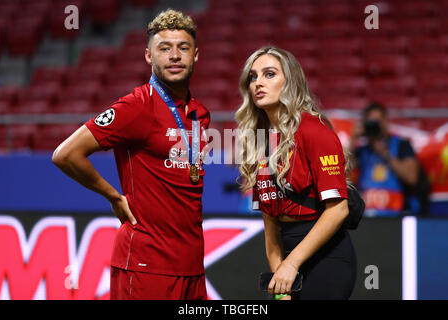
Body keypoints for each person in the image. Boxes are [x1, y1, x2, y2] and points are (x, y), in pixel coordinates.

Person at [52, 9, 210, 300]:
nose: (175, 55)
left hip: (192, 268)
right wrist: (112, 195)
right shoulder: (136, 106)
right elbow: (65, 154)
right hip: (146, 266)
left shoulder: (200, 114)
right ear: (149, 57)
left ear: (196, 55)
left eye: (183, 48)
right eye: (164, 49)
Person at [235, 46, 356, 300]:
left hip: (327, 257)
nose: (258, 83)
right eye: (253, 77)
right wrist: (281, 282)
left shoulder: (314, 129)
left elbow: (338, 209)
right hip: (285, 263)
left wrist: (292, 264)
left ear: (290, 82)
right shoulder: (259, 141)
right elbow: (270, 227)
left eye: (269, 74)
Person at [349, 103, 425, 216]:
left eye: (377, 121)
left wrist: (385, 153)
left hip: (395, 216)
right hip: (366, 216)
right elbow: (344, 171)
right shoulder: (362, 150)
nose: (375, 126)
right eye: (371, 123)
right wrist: (353, 139)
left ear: (386, 121)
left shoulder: (401, 145)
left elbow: (411, 177)